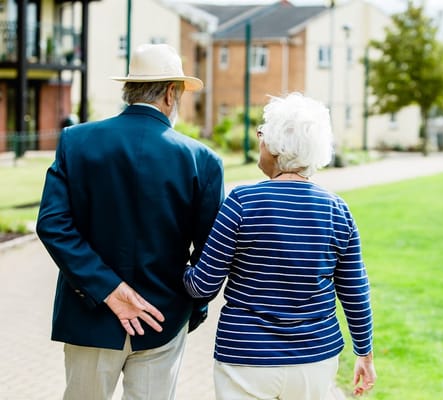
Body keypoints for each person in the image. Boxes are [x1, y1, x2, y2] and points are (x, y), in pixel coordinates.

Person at [36, 43, 225, 400]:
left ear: (129, 89)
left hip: (89, 315)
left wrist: (106, 287)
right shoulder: (202, 160)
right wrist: (191, 309)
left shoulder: (76, 141)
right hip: (162, 317)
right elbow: (210, 253)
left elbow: (52, 224)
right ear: (172, 93)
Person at [183, 92, 376, 399]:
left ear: (274, 146)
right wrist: (364, 354)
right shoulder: (337, 210)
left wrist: (177, 262)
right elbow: (355, 290)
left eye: (262, 135)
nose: (259, 142)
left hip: (246, 357)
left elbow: (203, 286)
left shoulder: (242, 203)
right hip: (314, 359)